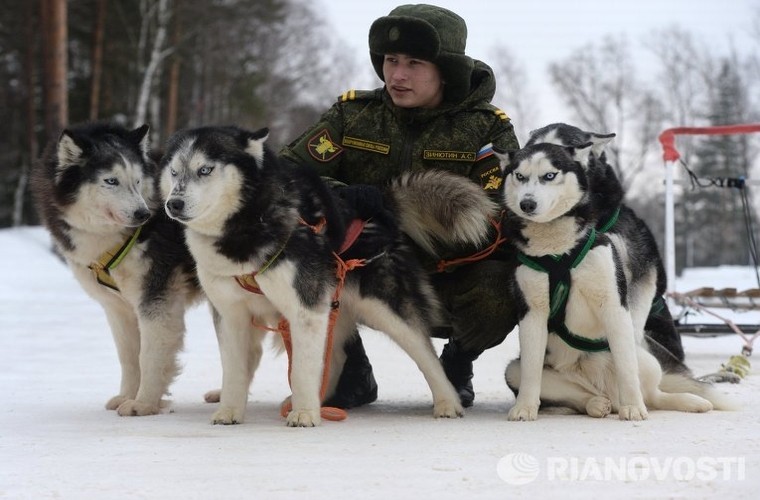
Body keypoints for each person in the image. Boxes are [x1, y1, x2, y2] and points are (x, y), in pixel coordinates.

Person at [280, 4, 519, 409]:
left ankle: (458, 363)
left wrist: (409, 221)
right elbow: (286, 172)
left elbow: (501, 211)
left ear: (446, 70)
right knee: (289, 251)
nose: (398, 75)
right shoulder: (353, 115)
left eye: (414, 63)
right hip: (357, 271)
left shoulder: (487, 127)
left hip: (447, 275)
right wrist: (345, 195)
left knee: (504, 286)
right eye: (391, 61)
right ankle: (349, 369)